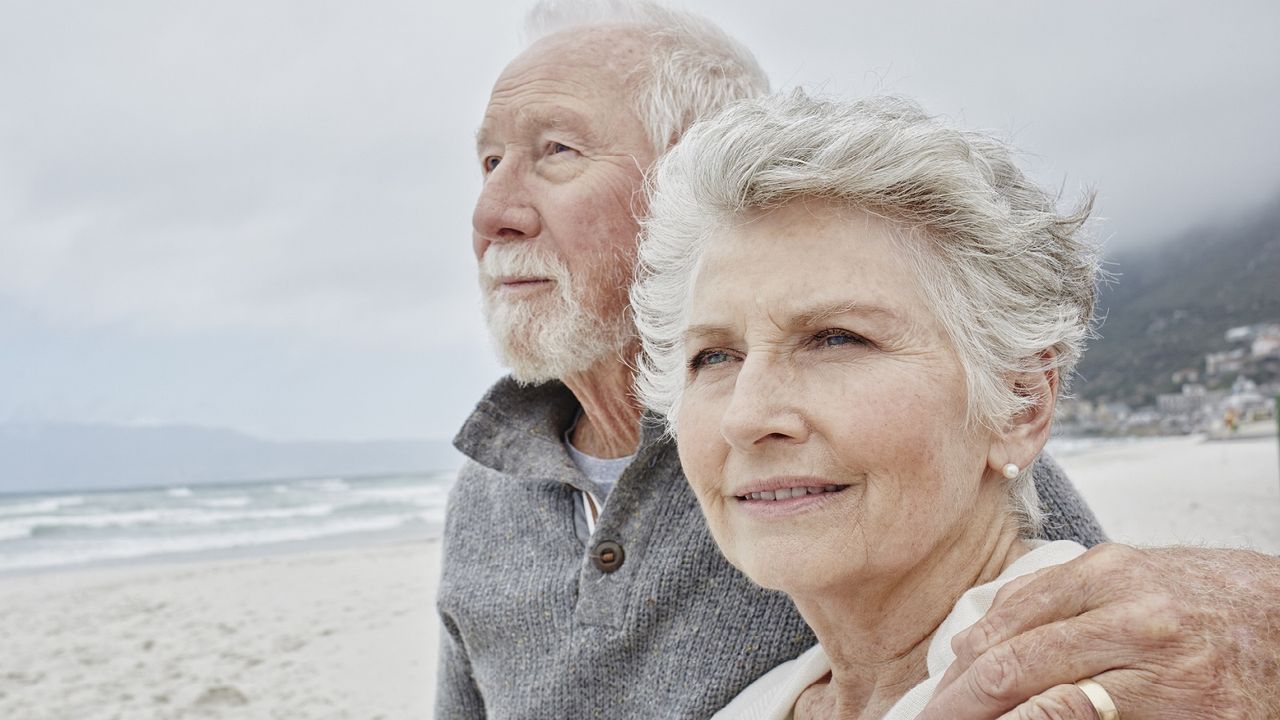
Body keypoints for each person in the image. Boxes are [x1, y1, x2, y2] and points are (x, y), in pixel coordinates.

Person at [437, 2, 1280, 718]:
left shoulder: (936, 448)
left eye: (557, 151)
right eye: (713, 356)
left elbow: (1103, 618)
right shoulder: (489, 486)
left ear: (686, 165)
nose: (492, 211)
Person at [631, 90, 1103, 717]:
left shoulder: (1143, 685)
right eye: (714, 356)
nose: (745, 418)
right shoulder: (755, 707)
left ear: (1019, 405)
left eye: (836, 339)